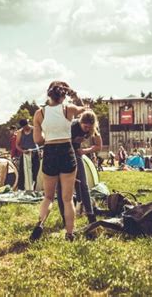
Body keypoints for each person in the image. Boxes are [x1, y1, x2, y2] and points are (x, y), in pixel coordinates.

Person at [30, 81, 86, 242]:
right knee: (67, 199)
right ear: (64, 95)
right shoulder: (69, 109)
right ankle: (70, 234)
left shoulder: (39, 113)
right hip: (66, 150)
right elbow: (85, 109)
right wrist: (74, 94)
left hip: (50, 151)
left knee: (48, 197)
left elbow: (38, 139)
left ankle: (40, 223)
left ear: (49, 94)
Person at [58, 111, 103, 225]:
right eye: (85, 126)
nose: (87, 129)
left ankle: (90, 215)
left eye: (89, 127)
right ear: (80, 122)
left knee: (84, 185)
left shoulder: (93, 129)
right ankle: (64, 217)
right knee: (62, 187)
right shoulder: (72, 126)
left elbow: (99, 146)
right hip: (62, 155)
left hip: (76, 155)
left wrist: (85, 151)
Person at [16, 119, 40, 191]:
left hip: (34, 152)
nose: (25, 128)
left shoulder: (34, 130)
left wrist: (38, 150)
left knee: (35, 171)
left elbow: (39, 141)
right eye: (23, 127)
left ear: (28, 123)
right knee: (22, 172)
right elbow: (17, 144)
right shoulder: (20, 132)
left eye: (26, 126)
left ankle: (34, 188)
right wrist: (22, 150)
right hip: (25, 154)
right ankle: (21, 188)